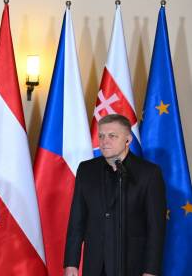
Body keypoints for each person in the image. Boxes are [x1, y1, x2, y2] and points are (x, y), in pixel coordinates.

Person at [63, 114, 166, 276]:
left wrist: (151, 270)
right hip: (95, 264)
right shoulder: (86, 170)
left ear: (128, 140)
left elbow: (156, 228)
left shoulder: (149, 173)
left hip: (132, 265)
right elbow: (77, 220)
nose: (105, 141)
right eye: (101, 136)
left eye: (112, 136)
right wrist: (71, 263)